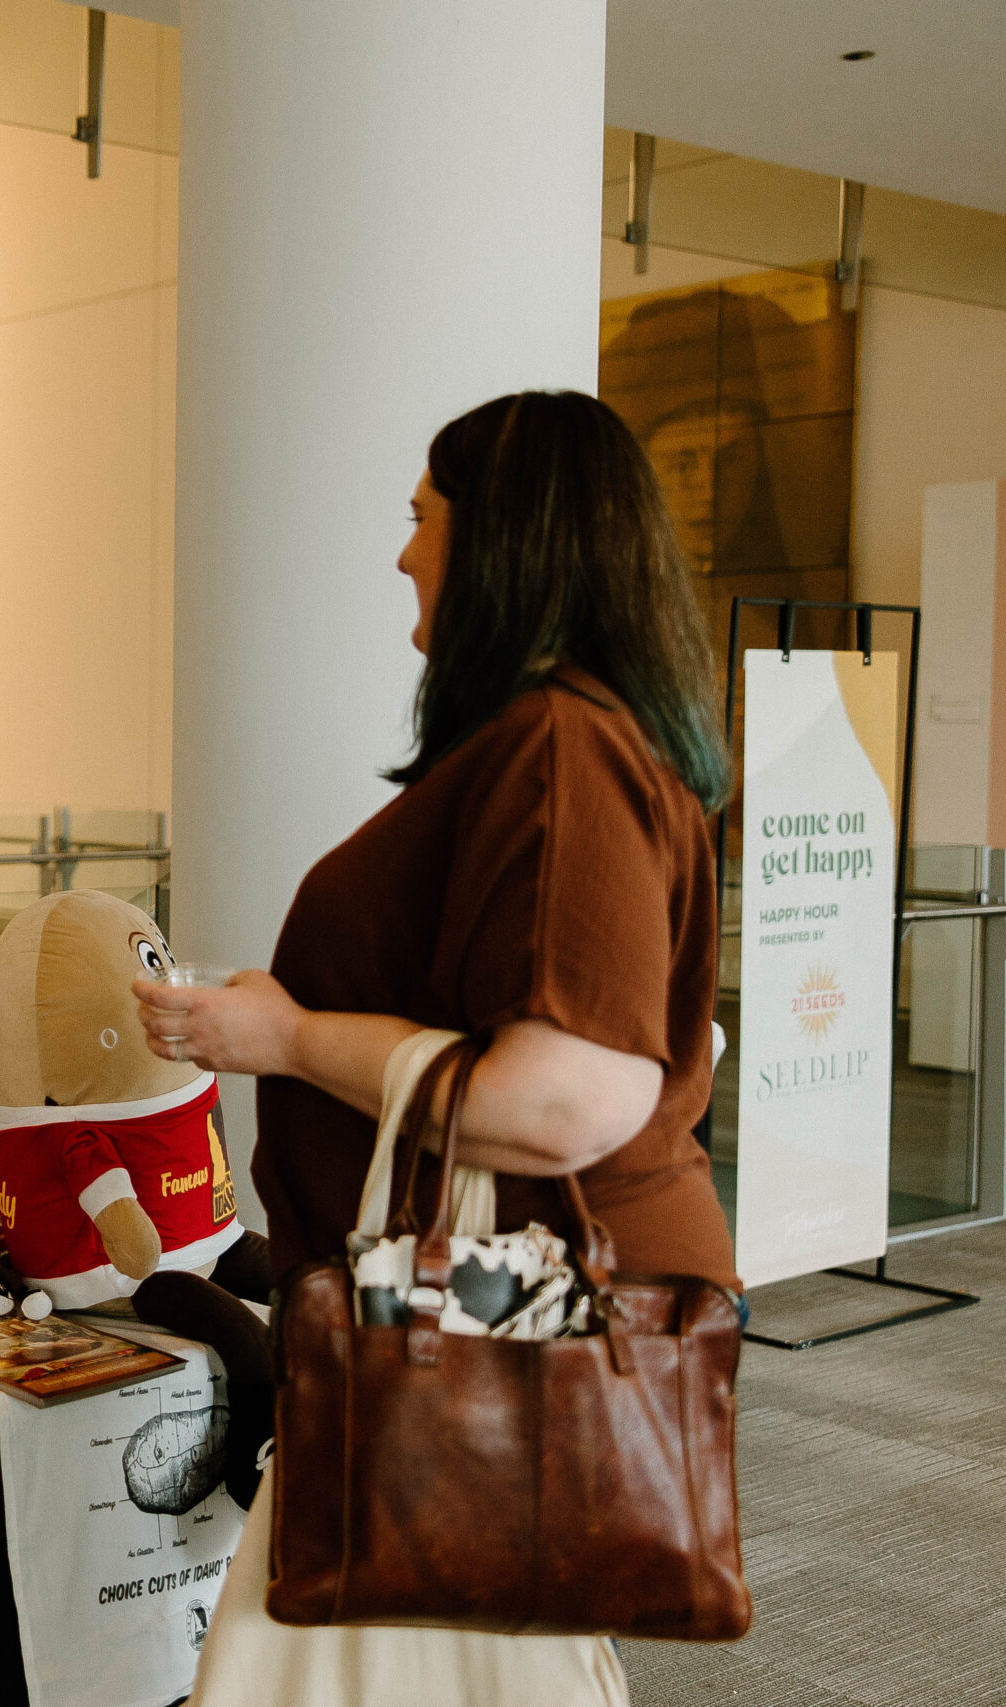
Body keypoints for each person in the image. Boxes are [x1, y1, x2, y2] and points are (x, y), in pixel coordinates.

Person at [143, 390, 734, 1705]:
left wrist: (286, 1035)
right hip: (460, 1314)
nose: (404, 551)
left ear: (503, 538)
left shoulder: (567, 748)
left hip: (469, 1322)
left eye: (422, 517)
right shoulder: (576, 743)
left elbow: (564, 1098)